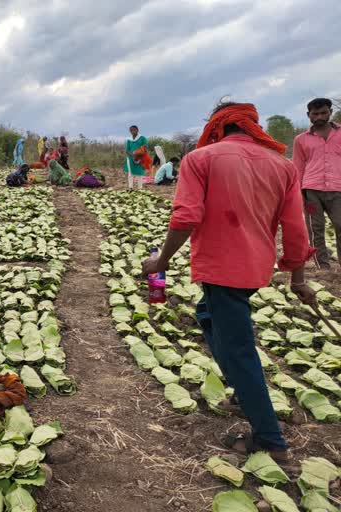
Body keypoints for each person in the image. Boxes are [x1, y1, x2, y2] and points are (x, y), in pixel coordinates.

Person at [142, 101, 316, 461]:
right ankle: (242, 390)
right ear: (252, 125)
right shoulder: (282, 166)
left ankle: (269, 438)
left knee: (238, 349)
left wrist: (161, 259)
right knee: (207, 316)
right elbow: (296, 228)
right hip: (255, 268)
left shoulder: (200, 159)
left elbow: (187, 216)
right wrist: (297, 278)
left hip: (222, 269)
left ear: (216, 126)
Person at [293, 98, 341, 270]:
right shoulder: (301, 139)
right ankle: (323, 267)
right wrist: (297, 193)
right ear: (309, 115)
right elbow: (298, 166)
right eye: (315, 114)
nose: (320, 116)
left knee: (340, 224)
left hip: (338, 188)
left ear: (330, 112)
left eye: (323, 112)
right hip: (311, 190)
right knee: (316, 228)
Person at [124, 125, 151, 189]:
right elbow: (127, 150)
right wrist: (133, 155)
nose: (132, 131)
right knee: (130, 174)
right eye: (131, 130)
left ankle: (140, 188)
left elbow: (145, 148)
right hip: (130, 158)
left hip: (140, 158)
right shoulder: (129, 140)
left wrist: (138, 155)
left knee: (140, 173)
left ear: (137, 130)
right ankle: (130, 188)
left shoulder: (142, 138)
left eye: (134, 130)